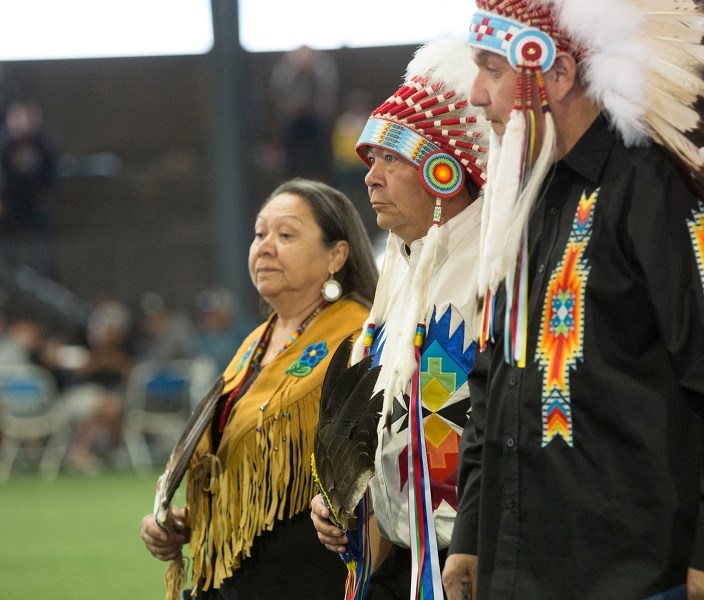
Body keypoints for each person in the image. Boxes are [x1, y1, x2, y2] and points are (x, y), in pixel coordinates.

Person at [442, 2, 704, 599]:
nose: (478, 95)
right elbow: (495, 380)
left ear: (555, 74)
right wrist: (472, 537)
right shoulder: (528, 197)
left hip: (635, 574)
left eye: (493, 70)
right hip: (523, 568)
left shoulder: (651, 186)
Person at [310, 36, 489, 599]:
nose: (371, 177)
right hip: (398, 560)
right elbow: (387, 413)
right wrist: (346, 491)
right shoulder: (402, 268)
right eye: (371, 160)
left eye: (392, 159)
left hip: (470, 561)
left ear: (445, 171)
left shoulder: (493, 267)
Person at [140, 178, 379, 599]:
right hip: (230, 572)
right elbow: (239, 462)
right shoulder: (257, 341)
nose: (265, 246)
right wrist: (187, 519)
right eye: (259, 234)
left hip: (303, 576)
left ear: (336, 255)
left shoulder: (359, 336)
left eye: (285, 234)